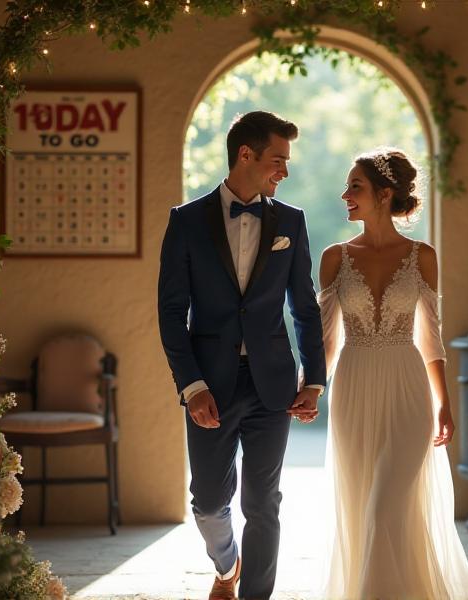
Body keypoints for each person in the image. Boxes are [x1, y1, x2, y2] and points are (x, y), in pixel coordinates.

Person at [158, 111, 325, 600]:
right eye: (278, 160)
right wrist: (191, 386)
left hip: (273, 383)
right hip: (209, 384)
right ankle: (226, 566)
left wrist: (313, 379)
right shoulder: (186, 222)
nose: (285, 172)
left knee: (264, 502)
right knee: (208, 502)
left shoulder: (291, 221)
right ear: (245, 155)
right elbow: (171, 313)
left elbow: (305, 307)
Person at [317, 148, 468, 599]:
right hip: (353, 387)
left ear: (384, 194)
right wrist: (311, 388)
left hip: (409, 388)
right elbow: (327, 340)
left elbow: (431, 338)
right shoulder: (334, 258)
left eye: (356, 186)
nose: (345, 194)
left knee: (385, 510)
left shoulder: (422, 256)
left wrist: (443, 404)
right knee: (360, 507)